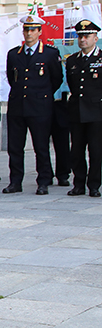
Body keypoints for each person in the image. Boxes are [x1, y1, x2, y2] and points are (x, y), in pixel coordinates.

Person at [4, 15, 63, 195]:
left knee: (41, 146)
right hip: (17, 106)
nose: (29, 33)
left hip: (40, 107)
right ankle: (15, 181)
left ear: (39, 32)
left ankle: (43, 181)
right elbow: (11, 78)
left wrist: (41, 95)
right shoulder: (14, 54)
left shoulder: (50, 53)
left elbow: (56, 79)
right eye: (26, 30)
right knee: (15, 147)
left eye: (33, 30)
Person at [65, 18, 102, 197]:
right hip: (77, 112)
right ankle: (78, 184)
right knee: (77, 151)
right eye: (80, 36)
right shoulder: (72, 60)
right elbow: (73, 85)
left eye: (87, 36)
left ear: (95, 38)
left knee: (95, 151)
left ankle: (94, 185)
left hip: (97, 113)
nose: (83, 40)